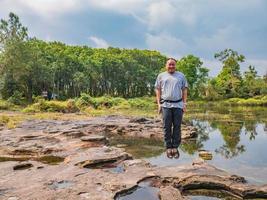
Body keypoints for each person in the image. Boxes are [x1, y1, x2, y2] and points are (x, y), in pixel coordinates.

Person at [154, 58, 188, 159]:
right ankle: (168, 147)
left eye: (173, 64)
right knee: (166, 126)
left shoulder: (181, 76)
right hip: (165, 105)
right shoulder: (161, 76)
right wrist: (158, 104)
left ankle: (175, 147)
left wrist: (184, 103)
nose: (171, 66)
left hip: (178, 105)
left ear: (175, 65)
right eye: (169, 64)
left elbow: (184, 90)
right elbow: (158, 89)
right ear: (166, 65)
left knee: (177, 126)